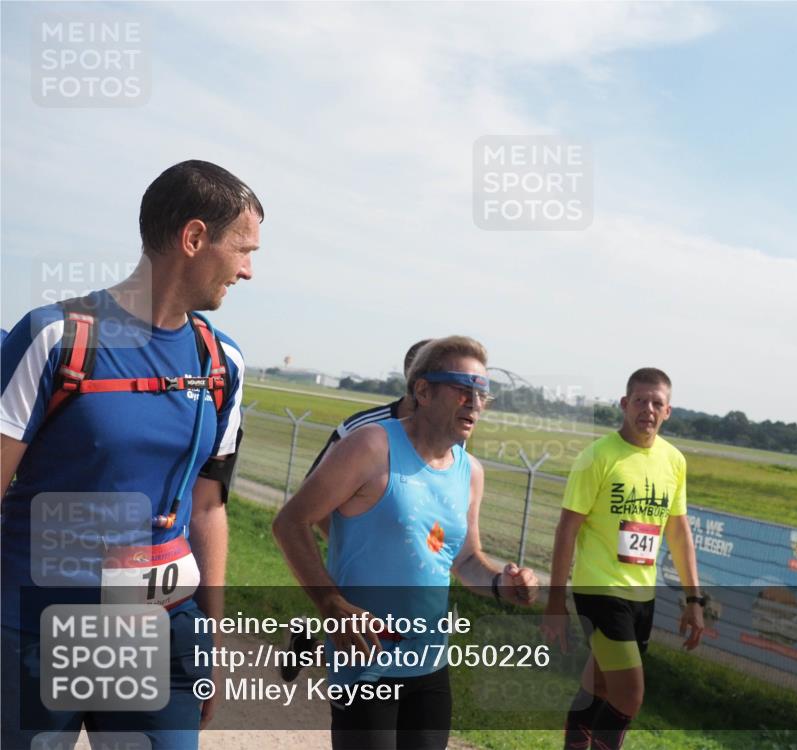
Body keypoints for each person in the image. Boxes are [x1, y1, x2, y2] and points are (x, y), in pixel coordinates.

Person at [1, 160, 262, 749]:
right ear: (194, 238)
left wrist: (212, 643)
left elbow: (208, 509)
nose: (248, 270)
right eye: (243, 250)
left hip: (162, 631)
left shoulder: (222, 363)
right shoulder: (54, 337)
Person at [272, 335, 539, 750]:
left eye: (483, 393)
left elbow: (467, 559)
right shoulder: (371, 445)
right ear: (423, 390)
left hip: (430, 665)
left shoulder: (471, 472)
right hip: (365, 660)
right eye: (463, 389)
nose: (475, 402)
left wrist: (505, 585)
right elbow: (291, 522)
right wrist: (331, 604)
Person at [541, 367, 704, 750]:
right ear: (624, 404)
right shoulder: (596, 457)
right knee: (630, 694)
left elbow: (679, 533)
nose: (648, 408)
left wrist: (694, 599)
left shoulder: (674, 461)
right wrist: (554, 601)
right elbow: (567, 530)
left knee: (598, 686)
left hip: (641, 596)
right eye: (640, 400)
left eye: (657, 403)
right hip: (599, 590)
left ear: (668, 412)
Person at [280, 338, 430, 682]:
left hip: (411, 563)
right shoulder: (364, 427)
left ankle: (310, 645)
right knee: (366, 640)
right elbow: (310, 500)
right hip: (361, 553)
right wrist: (356, 548)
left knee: (390, 641)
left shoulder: (451, 436)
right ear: (417, 380)